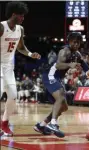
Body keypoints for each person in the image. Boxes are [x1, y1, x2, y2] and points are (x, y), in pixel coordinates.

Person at [33, 32, 88, 138]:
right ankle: (53, 124)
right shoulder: (64, 51)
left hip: (58, 78)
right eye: (74, 42)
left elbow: (86, 67)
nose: (76, 44)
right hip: (50, 75)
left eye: (78, 43)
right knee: (61, 96)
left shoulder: (77, 54)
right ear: (69, 42)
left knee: (63, 107)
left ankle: (41, 125)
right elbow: (58, 65)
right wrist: (69, 64)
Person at [0, 2, 41, 136]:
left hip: (8, 66)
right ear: (13, 14)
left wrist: (30, 54)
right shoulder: (1, 27)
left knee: (13, 95)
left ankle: (4, 123)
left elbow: (21, 47)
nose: (23, 18)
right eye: (21, 15)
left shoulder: (20, 29)